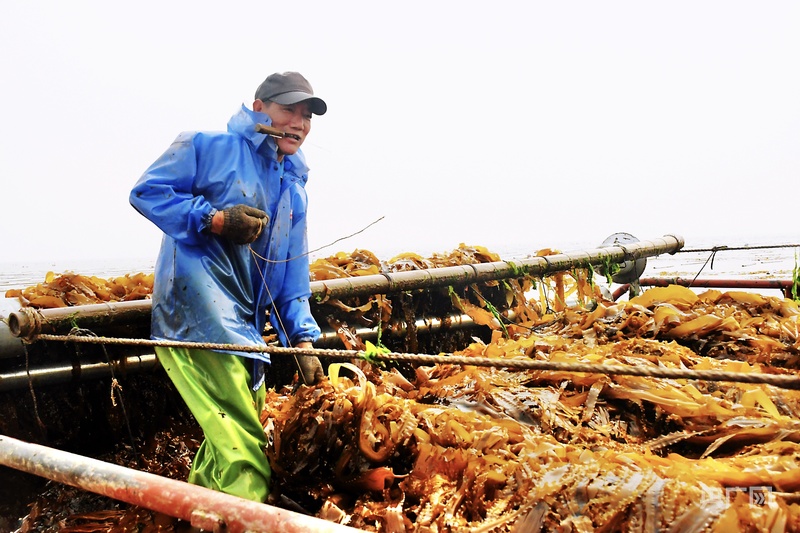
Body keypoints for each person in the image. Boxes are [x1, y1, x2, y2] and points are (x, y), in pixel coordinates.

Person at [129, 71, 326, 504]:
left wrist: (305, 340)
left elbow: (292, 276)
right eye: (288, 110)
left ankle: (195, 515)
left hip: (245, 331)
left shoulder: (293, 186)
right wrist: (214, 220)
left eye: (307, 115)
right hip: (197, 321)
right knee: (247, 459)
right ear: (259, 109)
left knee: (226, 448)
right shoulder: (207, 145)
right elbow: (147, 191)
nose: (299, 122)